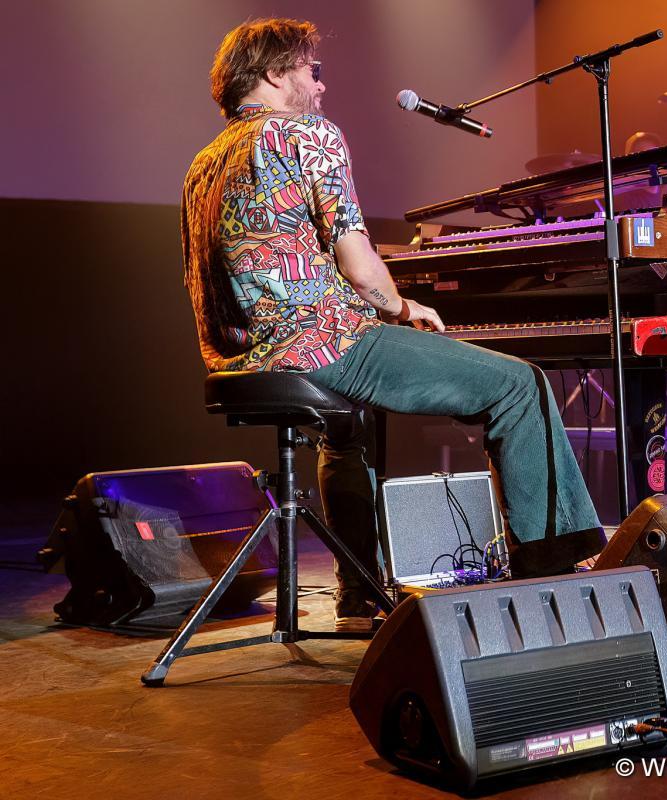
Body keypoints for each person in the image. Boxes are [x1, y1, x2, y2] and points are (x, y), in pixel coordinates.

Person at [182, 18, 603, 631]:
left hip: (240, 359)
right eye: (311, 70)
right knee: (520, 385)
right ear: (274, 72)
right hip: (321, 343)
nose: (320, 85)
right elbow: (359, 267)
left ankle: (357, 597)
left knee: (344, 431)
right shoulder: (307, 134)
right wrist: (403, 308)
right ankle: (552, 570)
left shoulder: (203, 164)